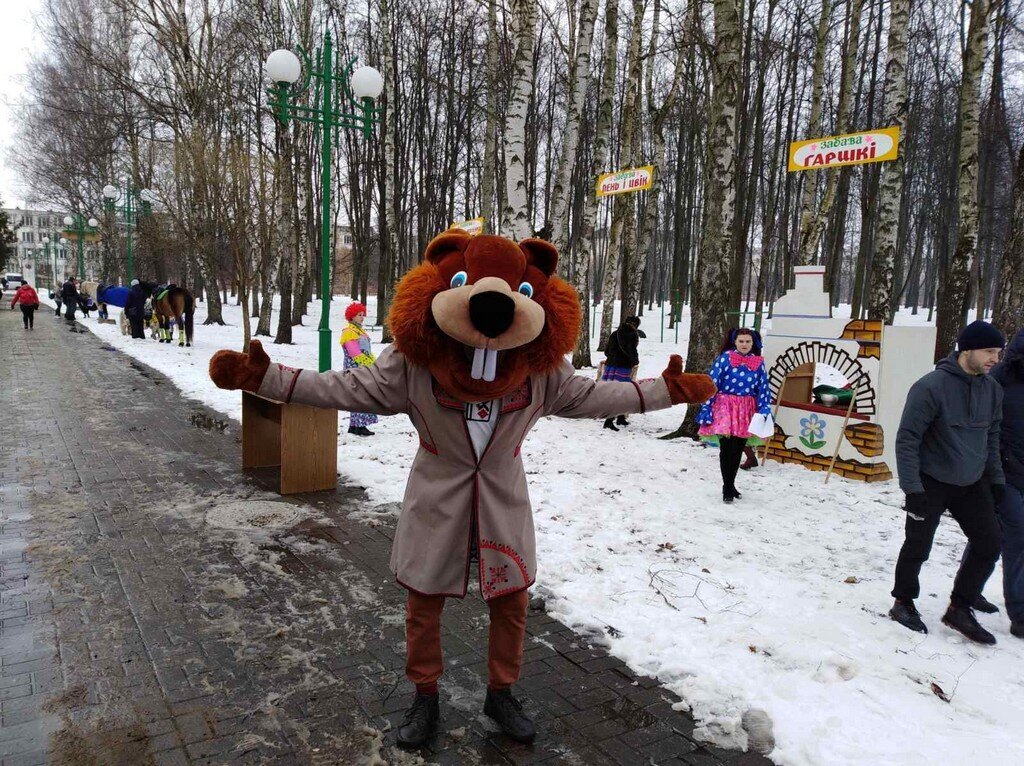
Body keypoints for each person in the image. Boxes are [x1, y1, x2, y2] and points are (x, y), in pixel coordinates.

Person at [889, 320, 1006, 644]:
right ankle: (903, 601)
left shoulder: (992, 389)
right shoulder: (930, 387)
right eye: (989, 351)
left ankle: (960, 606)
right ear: (966, 349)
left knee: (989, 543)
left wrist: (995, 480)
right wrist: (912, 488)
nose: (995, 358)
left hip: (972, 481)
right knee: (918, 545)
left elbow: (991, 436)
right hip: (931, 480)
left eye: (998, 352)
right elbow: (908, 439)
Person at [976, 328, 1024, 639]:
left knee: (987, 534)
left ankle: (969, 588)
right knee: (1018, 535)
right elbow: (982, 423)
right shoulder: (1001, 377)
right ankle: (1020, 613)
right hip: (1002, 472)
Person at [696, 328, 772, 503]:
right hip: (725, 407)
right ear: (735, 342)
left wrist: (764, 409)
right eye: (741, 341)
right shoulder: (725, 359)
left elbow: (763, 387)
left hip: (746, 409)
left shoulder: (758, 363)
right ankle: (727, 487)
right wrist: (707, 407)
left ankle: (731, 484)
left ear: (753, 343)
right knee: (727, 448)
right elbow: (712, 383)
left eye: (748, 341)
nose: (744, 344)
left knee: (738, 449)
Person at [339, 301, 378, 436]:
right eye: (359, 315)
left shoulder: (359, 331)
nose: (362, 317)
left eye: (363, 314)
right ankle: (358, 425)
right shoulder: (349, 332)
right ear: (352, 316)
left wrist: (373, 362)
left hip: (361, 367)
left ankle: (356, 425)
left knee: (359, 395)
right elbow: (354, 353)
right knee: (360, 395)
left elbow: (365, 351)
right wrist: (368, 364)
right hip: (356, 368)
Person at [601, 316, 642, 431]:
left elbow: (606, 351)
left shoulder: (615, 333)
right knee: (620, 394)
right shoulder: (632, 335)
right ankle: (609, 420)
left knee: (613, 392)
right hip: (622, 368)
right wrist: (635, 361)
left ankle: (620, 417)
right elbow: (632, 350)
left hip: (610, 367)